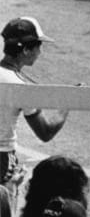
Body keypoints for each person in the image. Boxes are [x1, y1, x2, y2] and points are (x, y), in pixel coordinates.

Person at [0, 19, 68, 188]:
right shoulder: (21, 87)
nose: (40, 52)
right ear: (25, 50)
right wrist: (67, 104)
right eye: (38, 46)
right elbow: (45, 132)